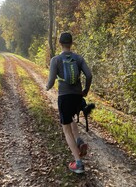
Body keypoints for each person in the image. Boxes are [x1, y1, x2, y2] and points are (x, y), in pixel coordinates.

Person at [46, 32, 92, 173]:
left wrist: (47, 87)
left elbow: (51, 80)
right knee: (72, 118)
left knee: (66, 129)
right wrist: (85, 90)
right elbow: (89, 75)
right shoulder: (78, 58)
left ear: (60, 43)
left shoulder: (56, 60)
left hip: (64, 97)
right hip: (77, 97)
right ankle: (78, 140)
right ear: (71, 43)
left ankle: (78, 163)